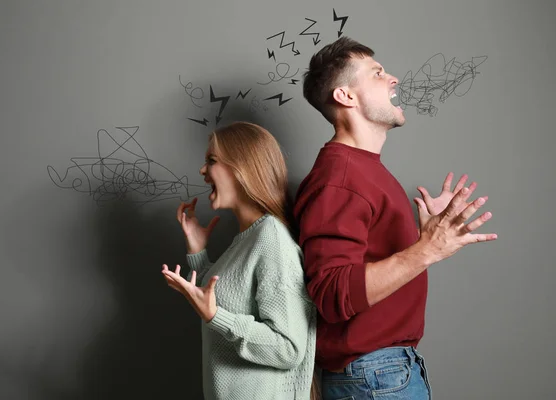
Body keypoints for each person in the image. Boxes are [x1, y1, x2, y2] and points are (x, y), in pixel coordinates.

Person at [293, 37, 498, 399]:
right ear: (346, 97)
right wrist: (427, 250)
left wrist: (426, 240)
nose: (393, 79)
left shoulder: (362, 170)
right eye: (377, 74)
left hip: (385, 372)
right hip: (373, 377)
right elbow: (331, 293)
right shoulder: (340, 177)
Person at [161, 121, 318, 400]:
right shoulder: (248, 238)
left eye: (211, 160)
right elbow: (228, 295)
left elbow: (288, 349)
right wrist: (198, 254)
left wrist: (216, 317)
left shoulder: (271, 238)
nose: (202, 170)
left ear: (241, 167)